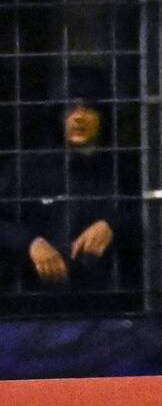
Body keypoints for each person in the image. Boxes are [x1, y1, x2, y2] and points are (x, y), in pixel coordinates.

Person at [0, 83, 137, 306]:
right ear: (58, 116)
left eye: (88, 109)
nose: (79, 117)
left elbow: (150, 210)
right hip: (32, 299)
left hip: (106, 299)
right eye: (70, 109)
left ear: (104, 116)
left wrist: (112, 225)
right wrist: (30, 243)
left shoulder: (122, 169)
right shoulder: (27, 167)